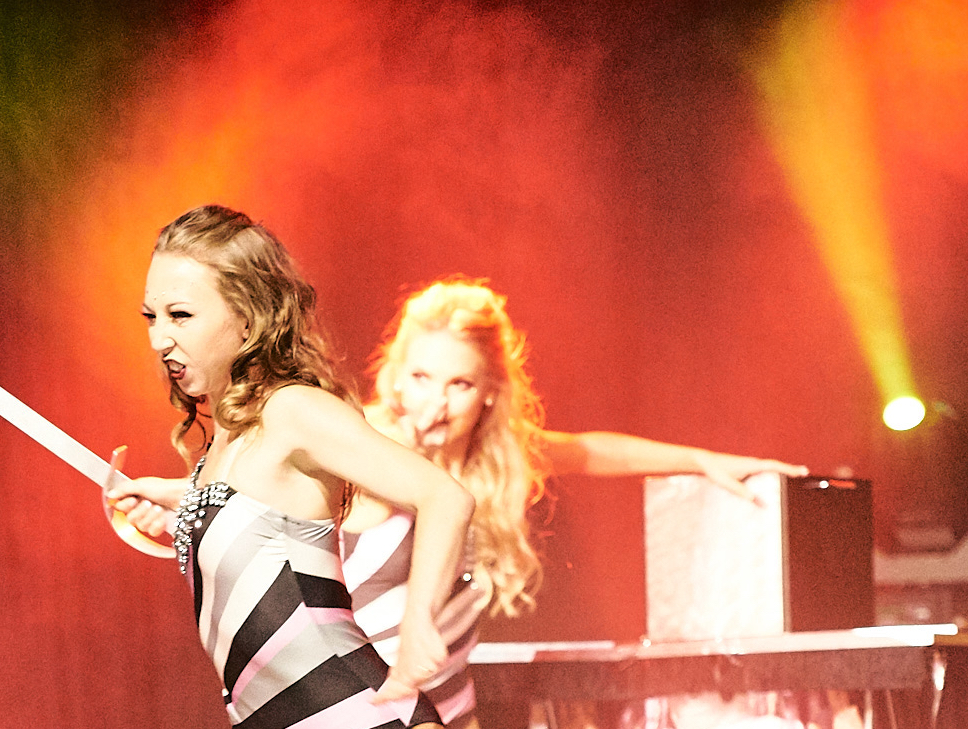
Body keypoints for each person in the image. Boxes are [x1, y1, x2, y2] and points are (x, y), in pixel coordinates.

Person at [342, 278, 811, 729]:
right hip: (362, 698)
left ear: (489, 393)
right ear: (397, 377)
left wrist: (702, 461)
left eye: (459, 384)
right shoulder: (363, 441)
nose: (436, 403)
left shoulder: (494, 461)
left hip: (449, 705)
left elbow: (592, 452)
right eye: (421, 377)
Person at [105, 206, 475, 729]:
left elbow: (446, 497)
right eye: (151, 317)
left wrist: (419, 628)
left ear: (248, 316)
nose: (158, 339)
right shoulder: (229, 440)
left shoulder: (291, 409)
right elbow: (260, 532)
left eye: (180, 315)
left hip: (356, 714)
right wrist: (176, 504)